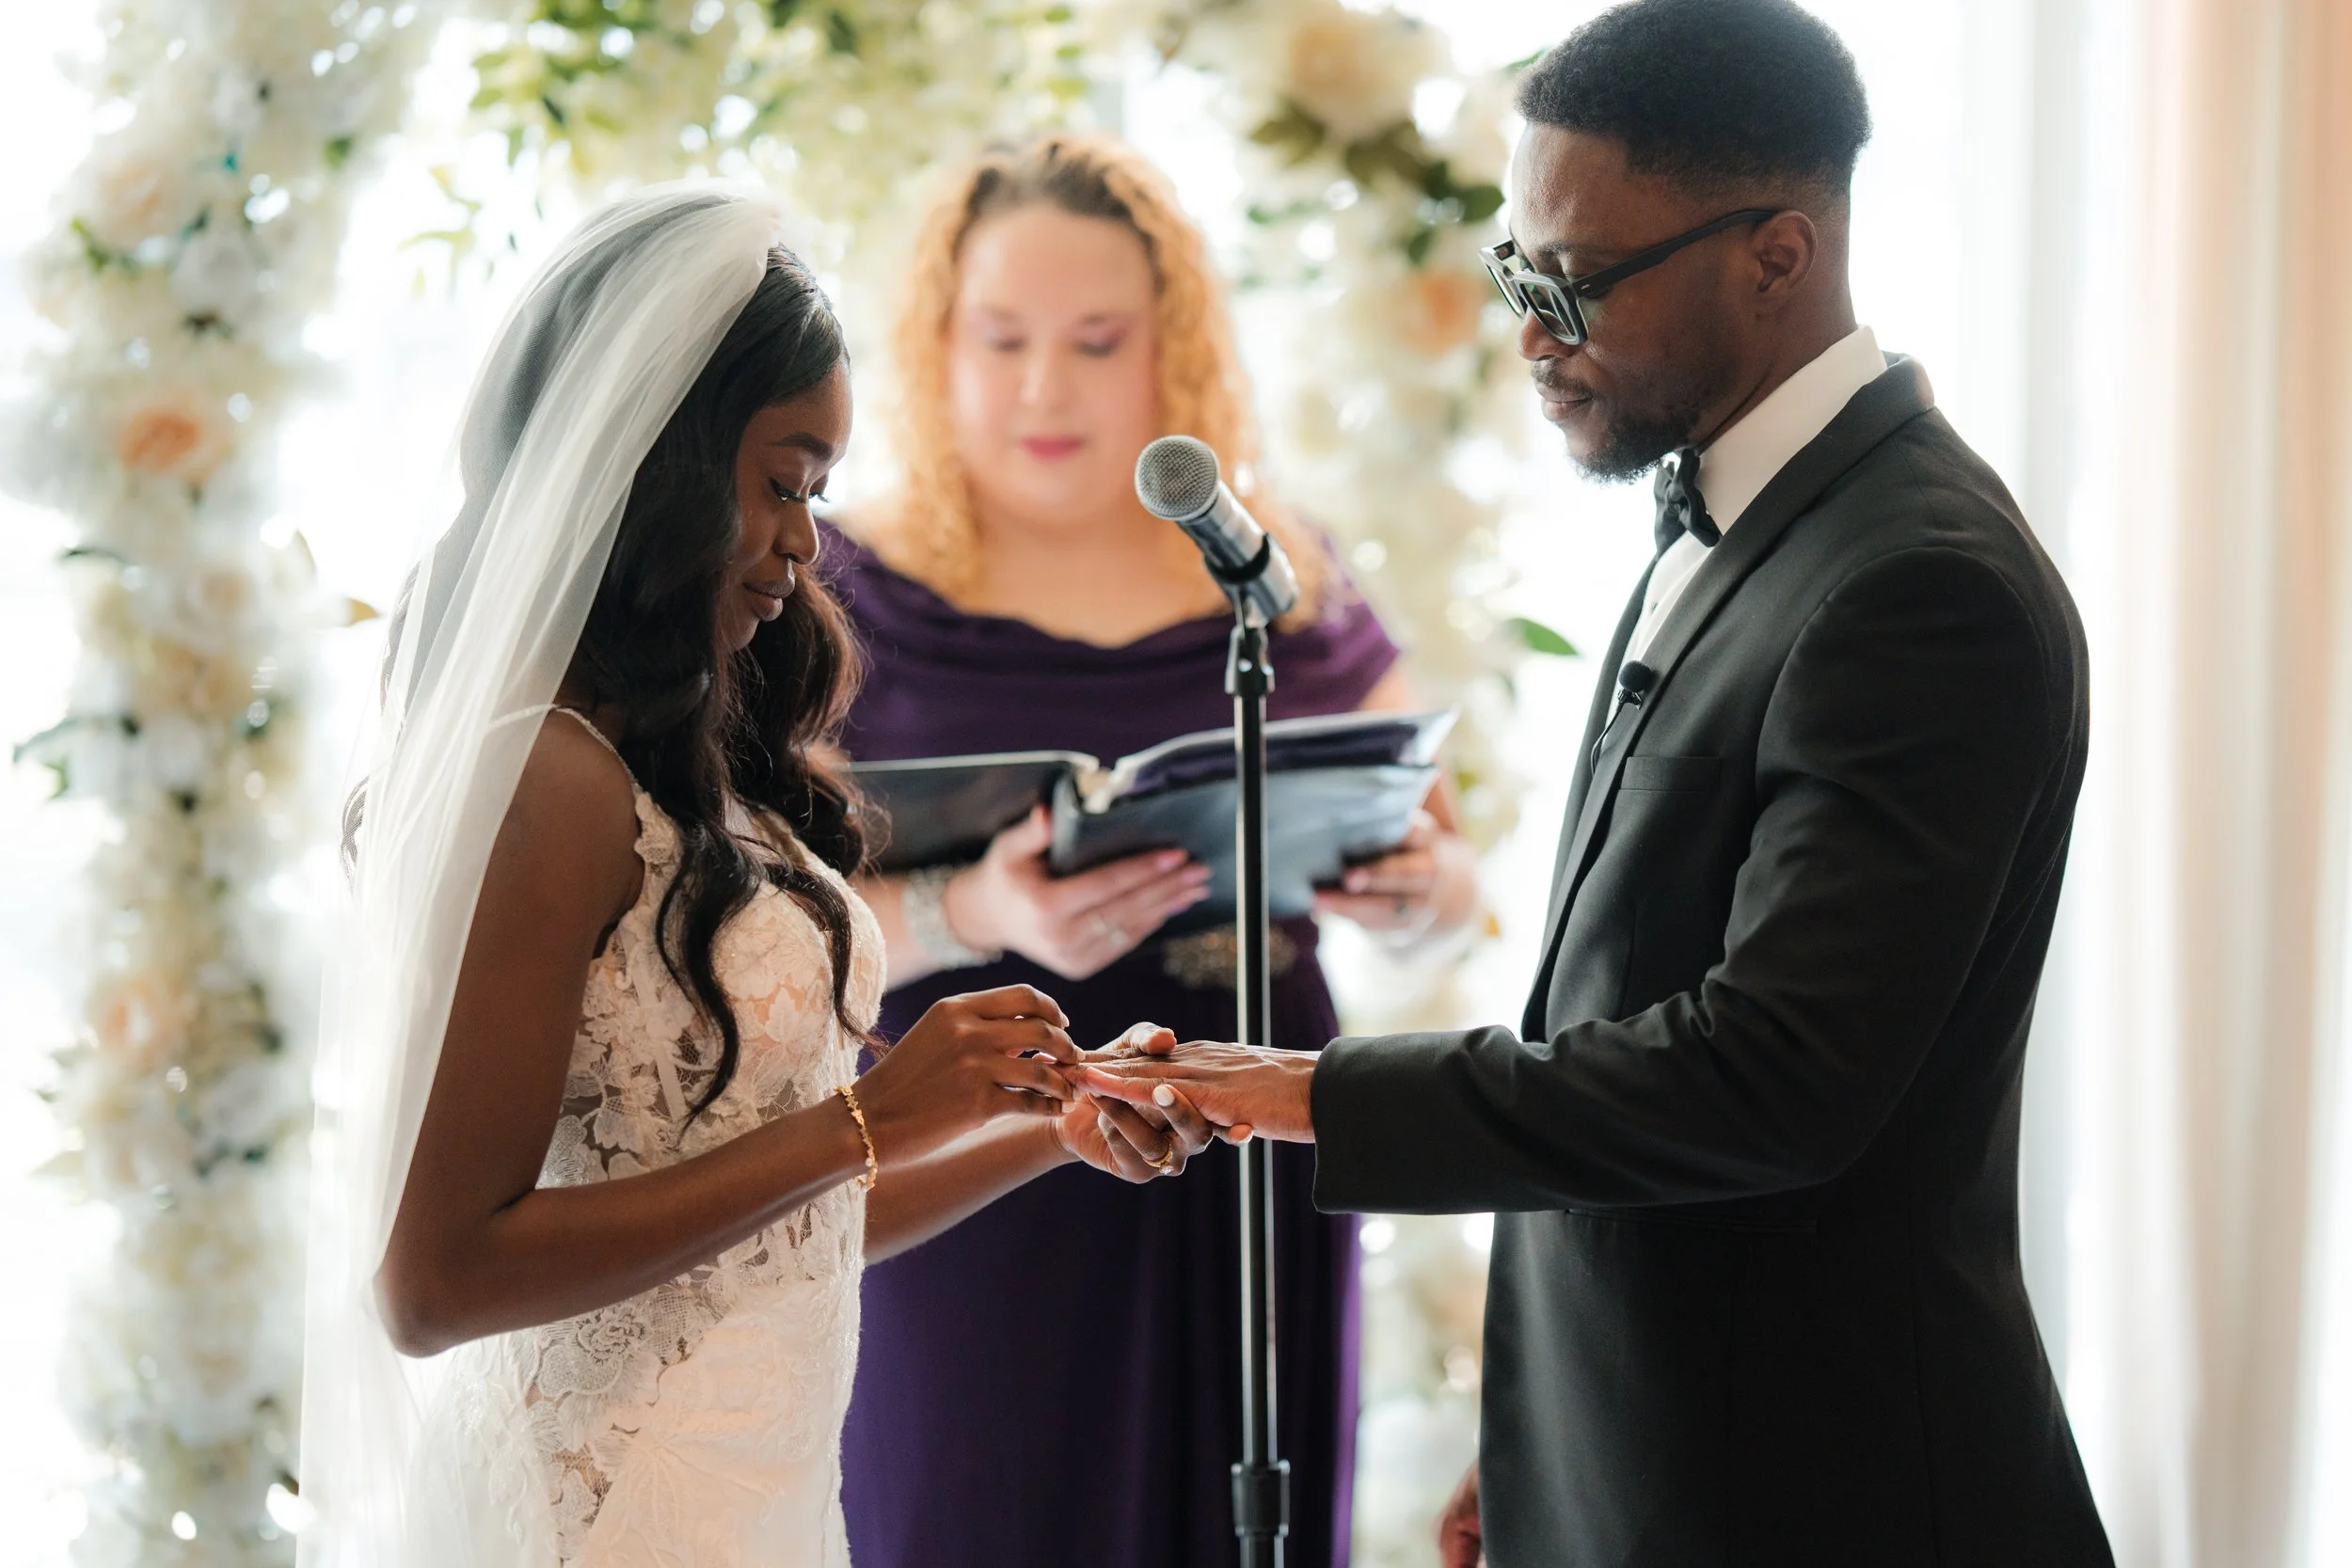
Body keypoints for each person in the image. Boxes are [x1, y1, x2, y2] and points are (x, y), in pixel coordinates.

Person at [1079, 3, 2118, 1564]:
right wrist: (1539, 1432)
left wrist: (1304, 1089)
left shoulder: (1919, 585)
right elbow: (1620, 1002)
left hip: (1827, 1493)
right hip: (1653, 1457)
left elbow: (1770, 1076)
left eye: (1571, 287)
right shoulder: (1740, 508)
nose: (1528, 336)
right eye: (1517, 273)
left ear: (1780, 252)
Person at [299, 186, 1216, 1568]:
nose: (806, 543)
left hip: (757, 1504)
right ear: (660, 462)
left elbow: (775, 1235)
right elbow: (434, 1282)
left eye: (821, 492)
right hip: (599, 1519)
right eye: (783, 481)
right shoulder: (543, 779)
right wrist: (874, 1120)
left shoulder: (686, 765)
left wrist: (1051, 1128)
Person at [823, 135, 1481, 1568]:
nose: (1044, 387)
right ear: (936, 343)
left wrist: (1420, 895)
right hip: (968, 1172)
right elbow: (752, 930)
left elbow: (1447, 892)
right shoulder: (834, 586)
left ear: (1171, 352)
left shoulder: (1272, 570)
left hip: (1246, 1165)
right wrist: (969, 903)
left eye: (1096, 342)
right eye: (1000, 339)